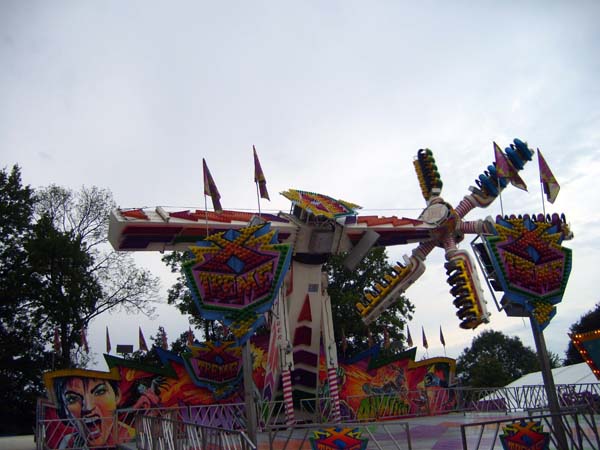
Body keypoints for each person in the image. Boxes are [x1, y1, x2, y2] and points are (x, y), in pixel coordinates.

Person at [54, 376, 134, 449]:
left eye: (100, 392)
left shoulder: (134, 440)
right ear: (65, 411)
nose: (88, 407)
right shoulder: (69, 443)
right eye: (72, 399)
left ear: (117, 396)